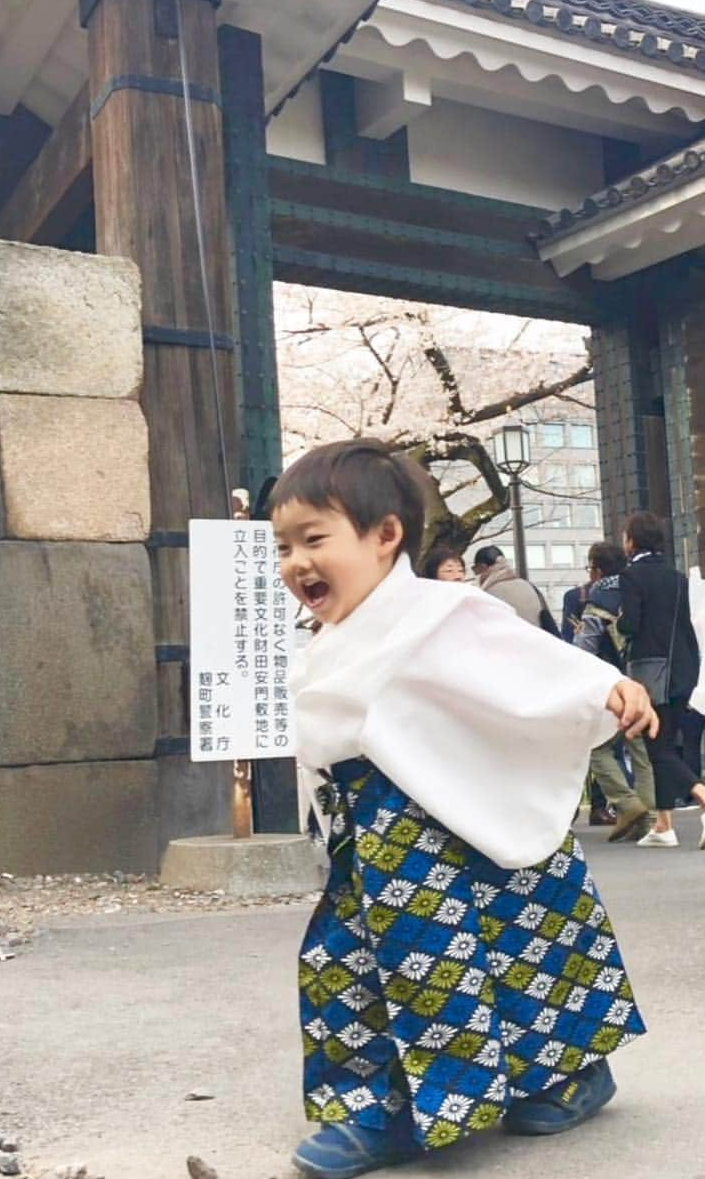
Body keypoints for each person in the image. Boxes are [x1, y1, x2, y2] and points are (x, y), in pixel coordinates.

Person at [272, 438, 656, 1178]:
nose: (296, 562)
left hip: (456, 806)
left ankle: (551, 1076)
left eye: (315, 539)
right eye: (284, 546)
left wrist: (601, 687)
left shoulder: (438, 611)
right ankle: (376, 1104)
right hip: (378, 829)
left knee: (500, 949)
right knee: (350, 961)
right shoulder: (332, 634)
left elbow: (522, 659)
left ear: (385, 536)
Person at [619, 511, 705, 850]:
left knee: (659, 747)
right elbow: (685, 625)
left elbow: (631, 625)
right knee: (664, 742)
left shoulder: (631, 576)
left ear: (633, 540)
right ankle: (664, 824)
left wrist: (621, 619)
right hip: (681, 669)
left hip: (651, 672)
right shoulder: (677, 577)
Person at [574, 542, 657, 842]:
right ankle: (647, 819)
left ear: (596, 568)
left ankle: (627, 803)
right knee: (641, 751)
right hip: (645, 674)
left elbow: (586, 646)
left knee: (596, 747)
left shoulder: (599, 595)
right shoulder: (641, 583)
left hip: (611, 685)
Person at [472, 544, 559, 634]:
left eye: (475, 569)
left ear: (483, 567)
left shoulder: (488, 594)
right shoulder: (530, 587)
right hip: (539, 644)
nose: (475, 575)